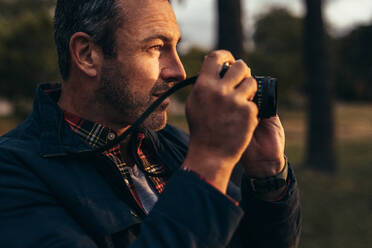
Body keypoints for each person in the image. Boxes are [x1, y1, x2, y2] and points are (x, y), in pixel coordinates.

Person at [0, 0, 301, 247]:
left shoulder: (174, 143)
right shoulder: (14, 173)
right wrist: (209, 162)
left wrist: (267, 178)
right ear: (86, 55)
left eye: (176, 48)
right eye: (156, 47)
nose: (179, 72)